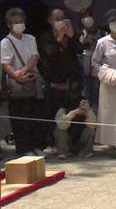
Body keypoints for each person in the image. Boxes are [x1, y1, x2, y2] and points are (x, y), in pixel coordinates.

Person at [1, 8, 48, 156]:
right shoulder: (5, 42)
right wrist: (16, 75)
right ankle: (23, 149)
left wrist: (24, 70)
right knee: (20, 117)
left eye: (21, 22)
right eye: (15, 23)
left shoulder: (30, 38)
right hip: (17, 84)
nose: (19, 25)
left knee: (36, 115)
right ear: (9, 24)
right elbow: (5, 64)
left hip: (32, 78)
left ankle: (36, 146)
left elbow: (35, 57)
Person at [38, 8, 83, 147]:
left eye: (62, 18)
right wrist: (59, 38)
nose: (60, 21)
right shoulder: (45, 38)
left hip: (71, 85)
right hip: (54, 85)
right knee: (54, 116)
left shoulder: (71, 35)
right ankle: (54, 144)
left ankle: (73, 145)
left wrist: (71, 36)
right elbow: (50, 55)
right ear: (50, 21)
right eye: (57, 19)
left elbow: (80, 51)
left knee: (73, 116)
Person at [92, 9, 116, 155]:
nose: (115, 24)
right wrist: (104, 73)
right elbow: (95, 61)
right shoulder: (102, 43)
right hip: (107, 83)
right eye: (112, 22)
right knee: (107, 112)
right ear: (108, 25)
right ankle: (109, 144)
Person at [78, 8, 105, 110]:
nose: (86, 19)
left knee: (98, 100)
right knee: (86, 98)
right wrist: (84, 39)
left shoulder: (102, 33)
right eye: (83, 16)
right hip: (85, 74)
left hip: (99, 74)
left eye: (88, 15)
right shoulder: (80, 35)